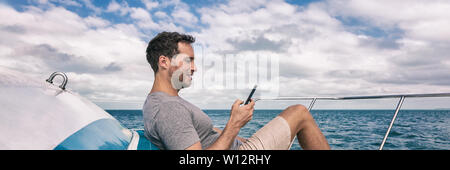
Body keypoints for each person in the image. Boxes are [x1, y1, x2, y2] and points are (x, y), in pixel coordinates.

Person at [143, 31, 330, 150]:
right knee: (299, 112)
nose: (194, 68)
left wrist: (243, 137)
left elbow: (206, 132)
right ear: (164, 62)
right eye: (188, 60)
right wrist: (235, 124)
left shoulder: (161, 102)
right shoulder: (169, 108)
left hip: (239, 146)